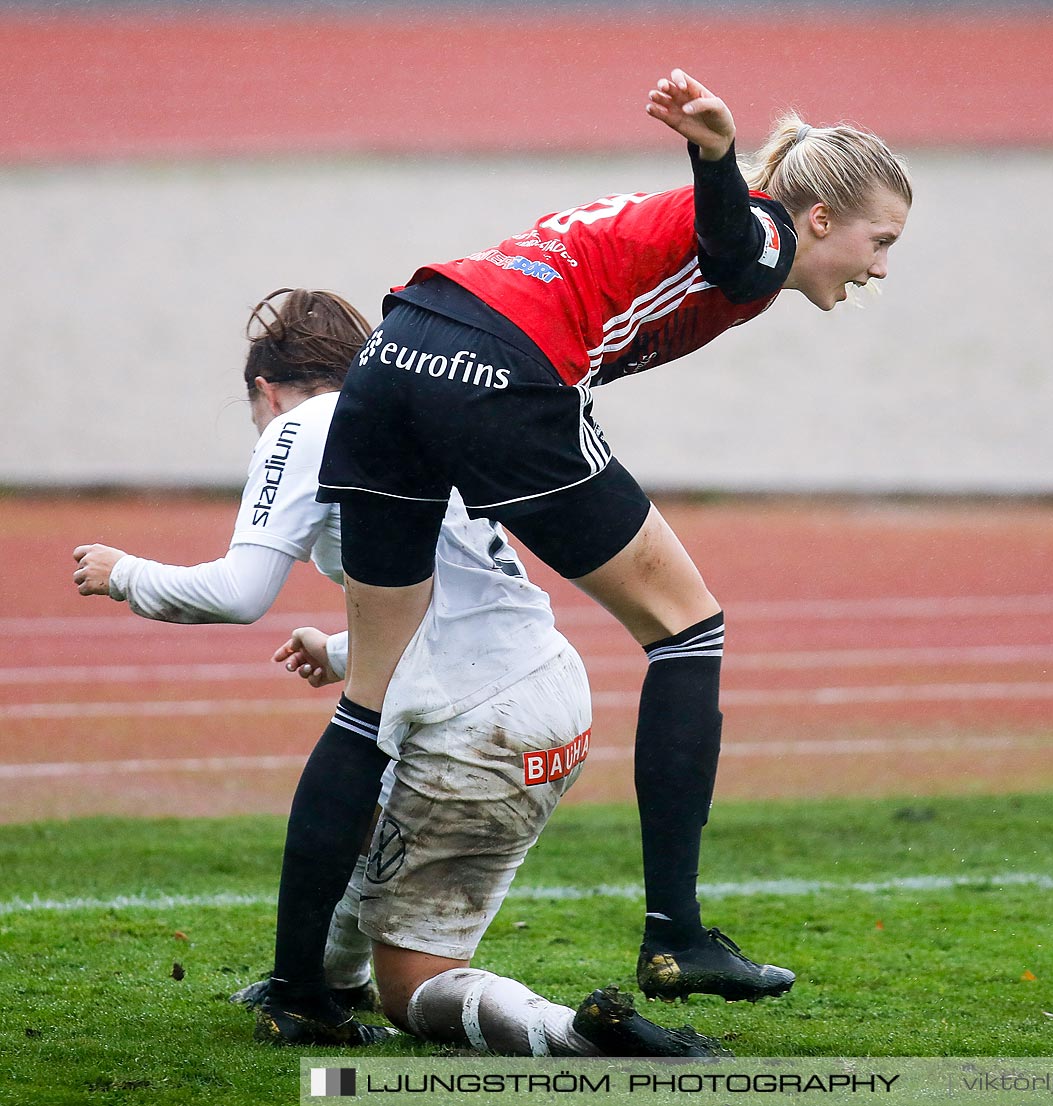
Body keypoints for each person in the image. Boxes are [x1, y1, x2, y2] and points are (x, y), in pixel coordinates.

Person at [310, 67, 913, 1018]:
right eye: (882, 242)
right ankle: (675, 935)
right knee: (690, 626)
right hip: (503, 366)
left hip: (394, 349)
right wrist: (714, 153)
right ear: (824, 218)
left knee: (369, 693)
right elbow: (738, 245)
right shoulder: (762, 227)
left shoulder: (704, 222)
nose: (881, 267)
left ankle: (298, 986)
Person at [72, 289, 723, 1056]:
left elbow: (240, 592)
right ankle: (322, 982)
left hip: (477, 724)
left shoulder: (305, 424)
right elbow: (456, 596)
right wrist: (347, 651)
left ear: (264, 389)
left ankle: (573, 1035)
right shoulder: (417, 413)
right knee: (368, 811)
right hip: (550, 694)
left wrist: (125, 574)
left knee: (414, 985)